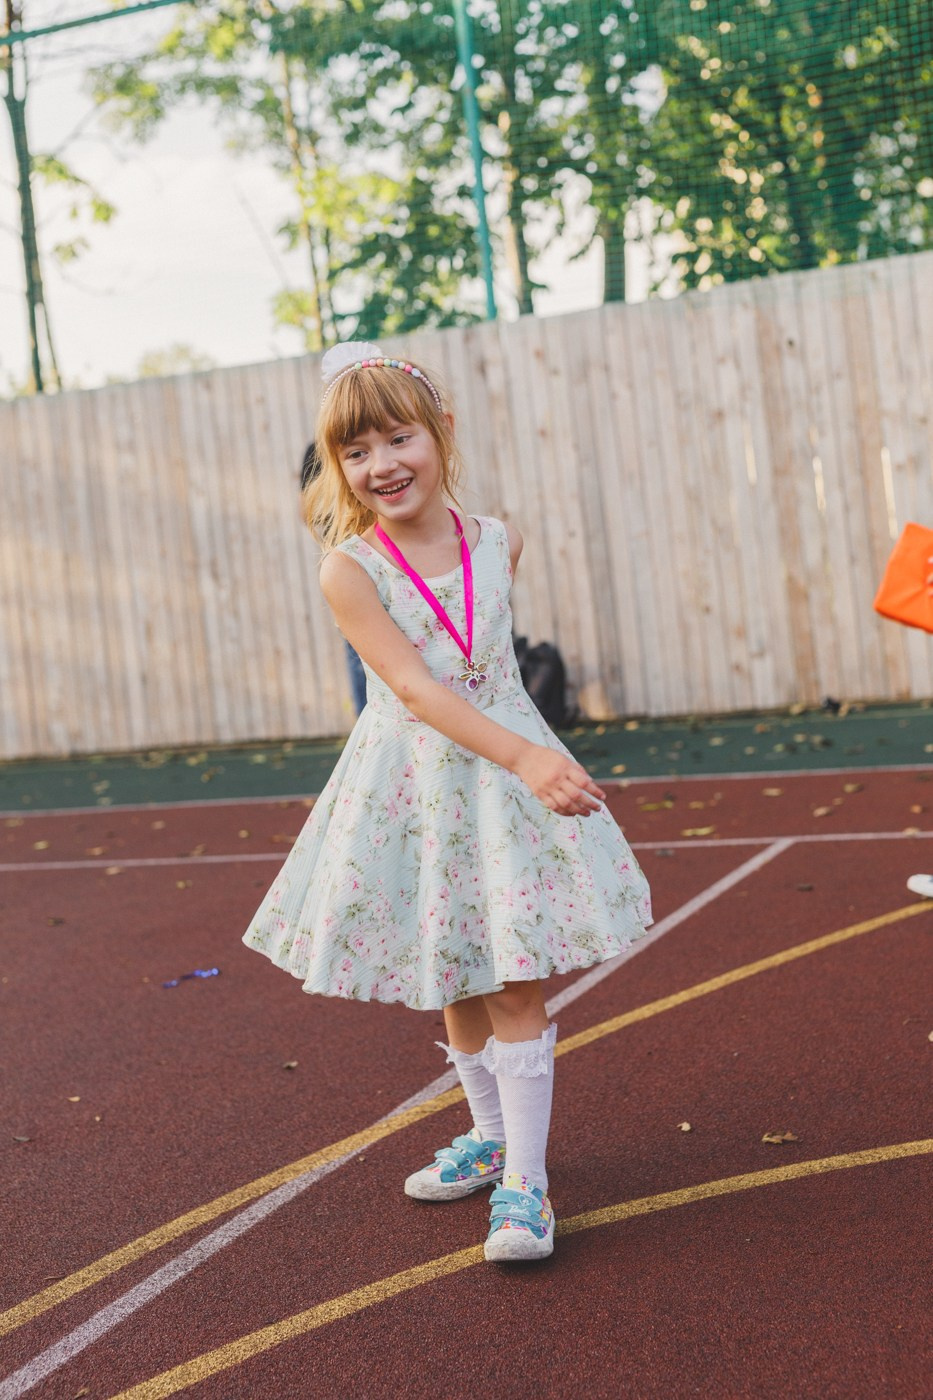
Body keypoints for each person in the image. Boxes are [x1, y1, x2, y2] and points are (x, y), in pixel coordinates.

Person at [245, 341, 652, 1262]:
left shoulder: (499, 539)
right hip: (422, 786)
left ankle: (528, 1187)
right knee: (459, 970)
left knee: (513, 976)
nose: (382, 464)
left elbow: (483, 663)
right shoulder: (349, 570)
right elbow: (419, 692)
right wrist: (523, 757)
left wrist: (522, 760)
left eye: (398, 437)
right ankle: (491, 1134)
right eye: (356, 452)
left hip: (506, 783)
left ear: (440, 433)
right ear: (337, 465)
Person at [301, 441, 368, 716]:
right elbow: (306, 509)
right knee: (359, 651)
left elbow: (305, 510)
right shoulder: (318, 451)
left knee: (359, 652)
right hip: (351, 562)